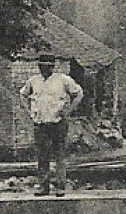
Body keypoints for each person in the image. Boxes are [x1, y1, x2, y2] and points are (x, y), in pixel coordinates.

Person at [21, 53, 83, 196]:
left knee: (59, 154)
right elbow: (23, 95)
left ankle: (60, 186)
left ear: (53, 67)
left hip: (58, 123)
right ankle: (43, 186)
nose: (44, 69)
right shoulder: (33, 81)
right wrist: (30, 111)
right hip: (40, 123)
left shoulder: (62, 79)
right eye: (42, 66)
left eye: (48, 67)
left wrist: (68, 110)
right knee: (42, 156)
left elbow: (79, 93)